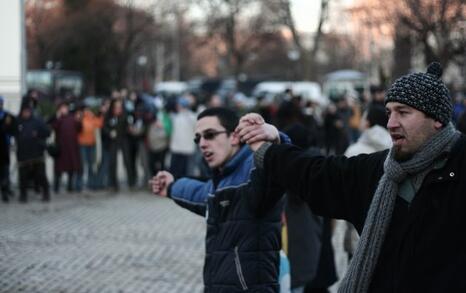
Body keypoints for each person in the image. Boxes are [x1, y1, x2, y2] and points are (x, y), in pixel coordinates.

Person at [236, 62, 466, 292]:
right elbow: (316, 174)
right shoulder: (379, 169)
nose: (391, 123)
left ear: (437, 119)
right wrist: (271, 146)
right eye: (389, 112)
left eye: (403, 112)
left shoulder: (459, 165)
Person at [151, 107, 289, 292]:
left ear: (234, 136)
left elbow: (278, 165)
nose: (202, 143)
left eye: (210, 135)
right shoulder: (222, 178)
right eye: (198, 138)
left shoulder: (253, 168)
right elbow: (201, 193)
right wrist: (171, 186)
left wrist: (275, 139)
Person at [13, 102, 51, 203]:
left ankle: (46, 193)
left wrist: (38, 133)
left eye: (28, 111)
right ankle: (23, 195)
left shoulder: (37, 121)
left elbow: (47, 132)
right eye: (24, 111)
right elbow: (11, 132)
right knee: (23, 177)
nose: (26, 113)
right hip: (23, 154)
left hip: (37, 154)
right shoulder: (17, 121)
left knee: (41, 175)